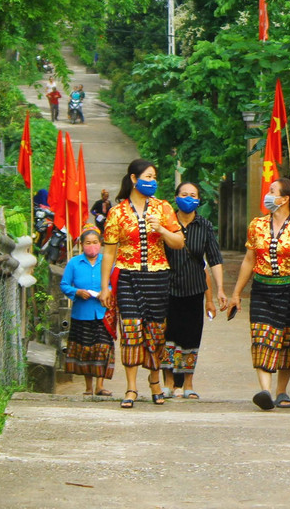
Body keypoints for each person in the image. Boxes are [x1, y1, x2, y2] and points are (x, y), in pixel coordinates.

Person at [98, 159, 185, 409]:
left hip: (157, 276)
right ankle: (131, 387)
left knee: (156, 331)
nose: (152, 182)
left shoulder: (163, 208)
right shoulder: (117, 212)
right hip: (127, 275)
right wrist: (106, 286)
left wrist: (162, 230)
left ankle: (155, 381)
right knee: (131, 328)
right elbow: (109, 252)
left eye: (154, 177)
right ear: (134, 179)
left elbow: (178, 242)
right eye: (147, 177)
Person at [228, 178, 290, 411]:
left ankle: (281, 391)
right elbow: (249, 260)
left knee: (288, 340)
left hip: (288, 288)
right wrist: (236, 293)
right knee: (261, 337)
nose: (267, 195)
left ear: (285, 199)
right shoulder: (256, 225)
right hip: (261, 288)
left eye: (272, 192)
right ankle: (265, 391)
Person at [161, 181, 227, 399]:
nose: (188, 198)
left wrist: (218, 292)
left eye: (193, 194)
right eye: (184, 194)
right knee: (168, 336)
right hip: (168, 288)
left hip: (195, 289)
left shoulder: (205, 226)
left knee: (191, 336)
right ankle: (169, 383)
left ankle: (188, 383)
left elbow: (214, 260)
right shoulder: (166, 224)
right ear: (176, 197)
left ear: (199, 199)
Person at [61, 225, 114, 396]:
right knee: (86, 349)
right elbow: (64, 285)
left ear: (100, 244)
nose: (92, 246)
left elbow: (114, 284)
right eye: (88, 243)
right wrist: (76, 292)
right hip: (81, 313)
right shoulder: (74, 263)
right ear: (82, 245)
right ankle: (88, 387)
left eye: (95, 242)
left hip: (102, 312)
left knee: (102, 348)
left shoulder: (107, 262)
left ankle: (100, 385)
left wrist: (107, 292)